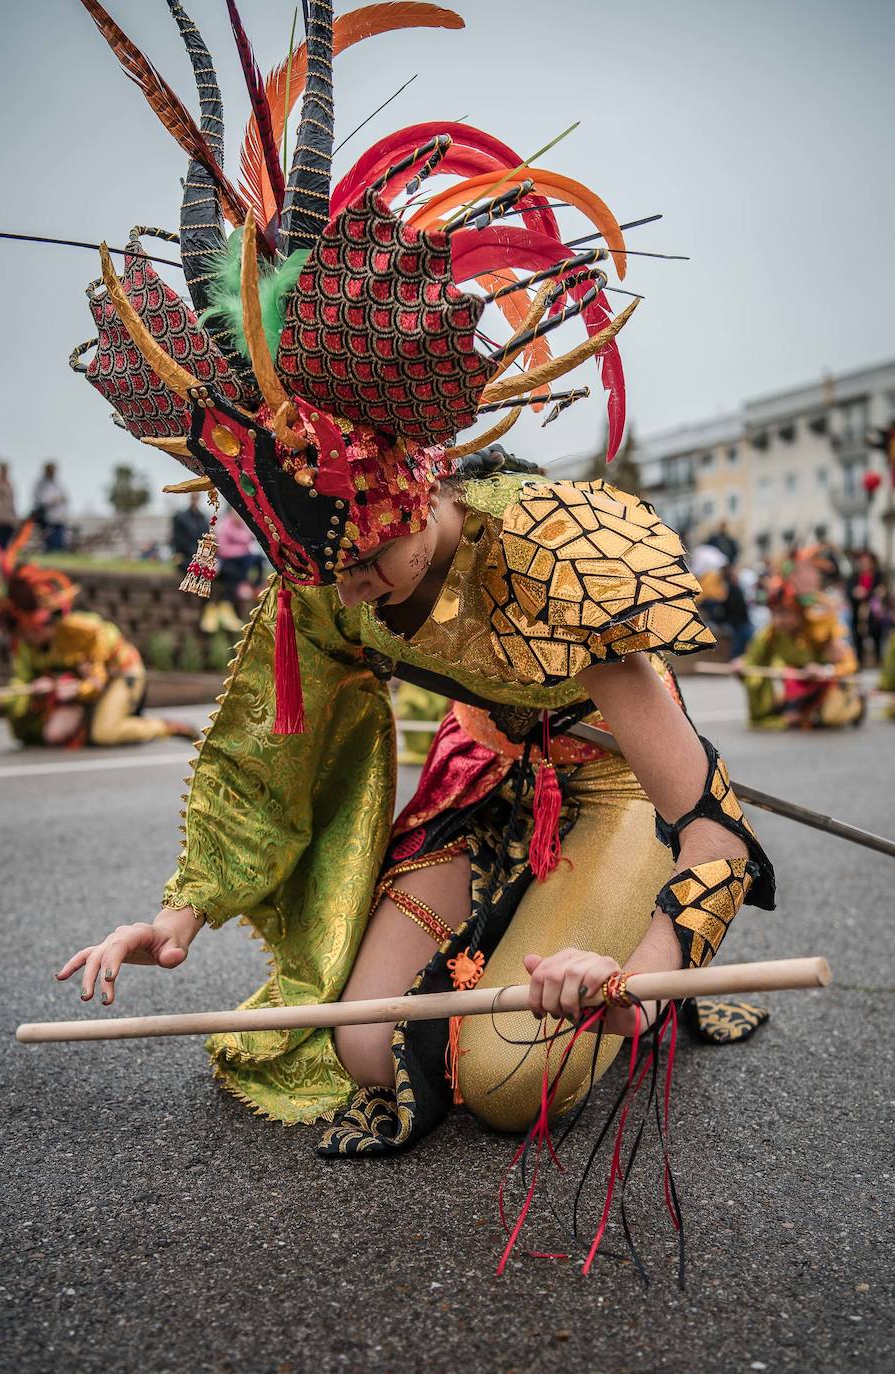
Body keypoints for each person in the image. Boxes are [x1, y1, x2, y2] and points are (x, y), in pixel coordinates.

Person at [54, 0, 775, 1159]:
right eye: (323, 572)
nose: (351, 593)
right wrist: (175, 917)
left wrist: (636, 976)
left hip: (611, 786)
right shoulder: (327, 584)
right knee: (359, 1047)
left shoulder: (552, 550)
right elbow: (264, 758)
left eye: (366, 558)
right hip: (475, 777)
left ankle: (597, 972)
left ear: (414, 481)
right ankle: (498, 948)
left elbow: (714, 827)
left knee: (511, 1082)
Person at [0, 531, 197, 747]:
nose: (24, 639)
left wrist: (75, 688)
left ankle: (164, 727)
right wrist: (5, 699)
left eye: (26, 632)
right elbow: (22, 683)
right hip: (76, 688)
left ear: (40, 624)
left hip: (120, 674)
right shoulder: (25, 646)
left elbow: (97, 680)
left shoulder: (84, 631)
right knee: (24, 729)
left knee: (105, 733)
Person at [742, 552, 864, 729]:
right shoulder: (771, 633)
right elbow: (754, 662)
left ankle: (851, 704)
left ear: (800, 611)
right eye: (774, 612)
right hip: (798, 687)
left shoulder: (820, 629)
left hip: (827, 686)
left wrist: (825, 671)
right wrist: (743, 666)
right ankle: (794, 710)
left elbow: (849, 664)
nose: (778, 620)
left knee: (829, 717)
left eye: (784, 613)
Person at [31, 461, 69, 552]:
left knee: (60, 542)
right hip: (48, 518)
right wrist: (55, 500)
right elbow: (41, 499)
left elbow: (64, 498)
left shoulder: (57, 484)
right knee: (50, 541)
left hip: (59, 518)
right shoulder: (41, 484)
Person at [170, 492, 207, 577]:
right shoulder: (181, 518)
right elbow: (178, 541)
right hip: (186, 557)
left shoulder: (202, 518)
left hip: (199, 557)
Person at [0, 460, 17, 548]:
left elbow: (12, 501)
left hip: (9, 518)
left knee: (8, 541)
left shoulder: (9, 483)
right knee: (0, 541)